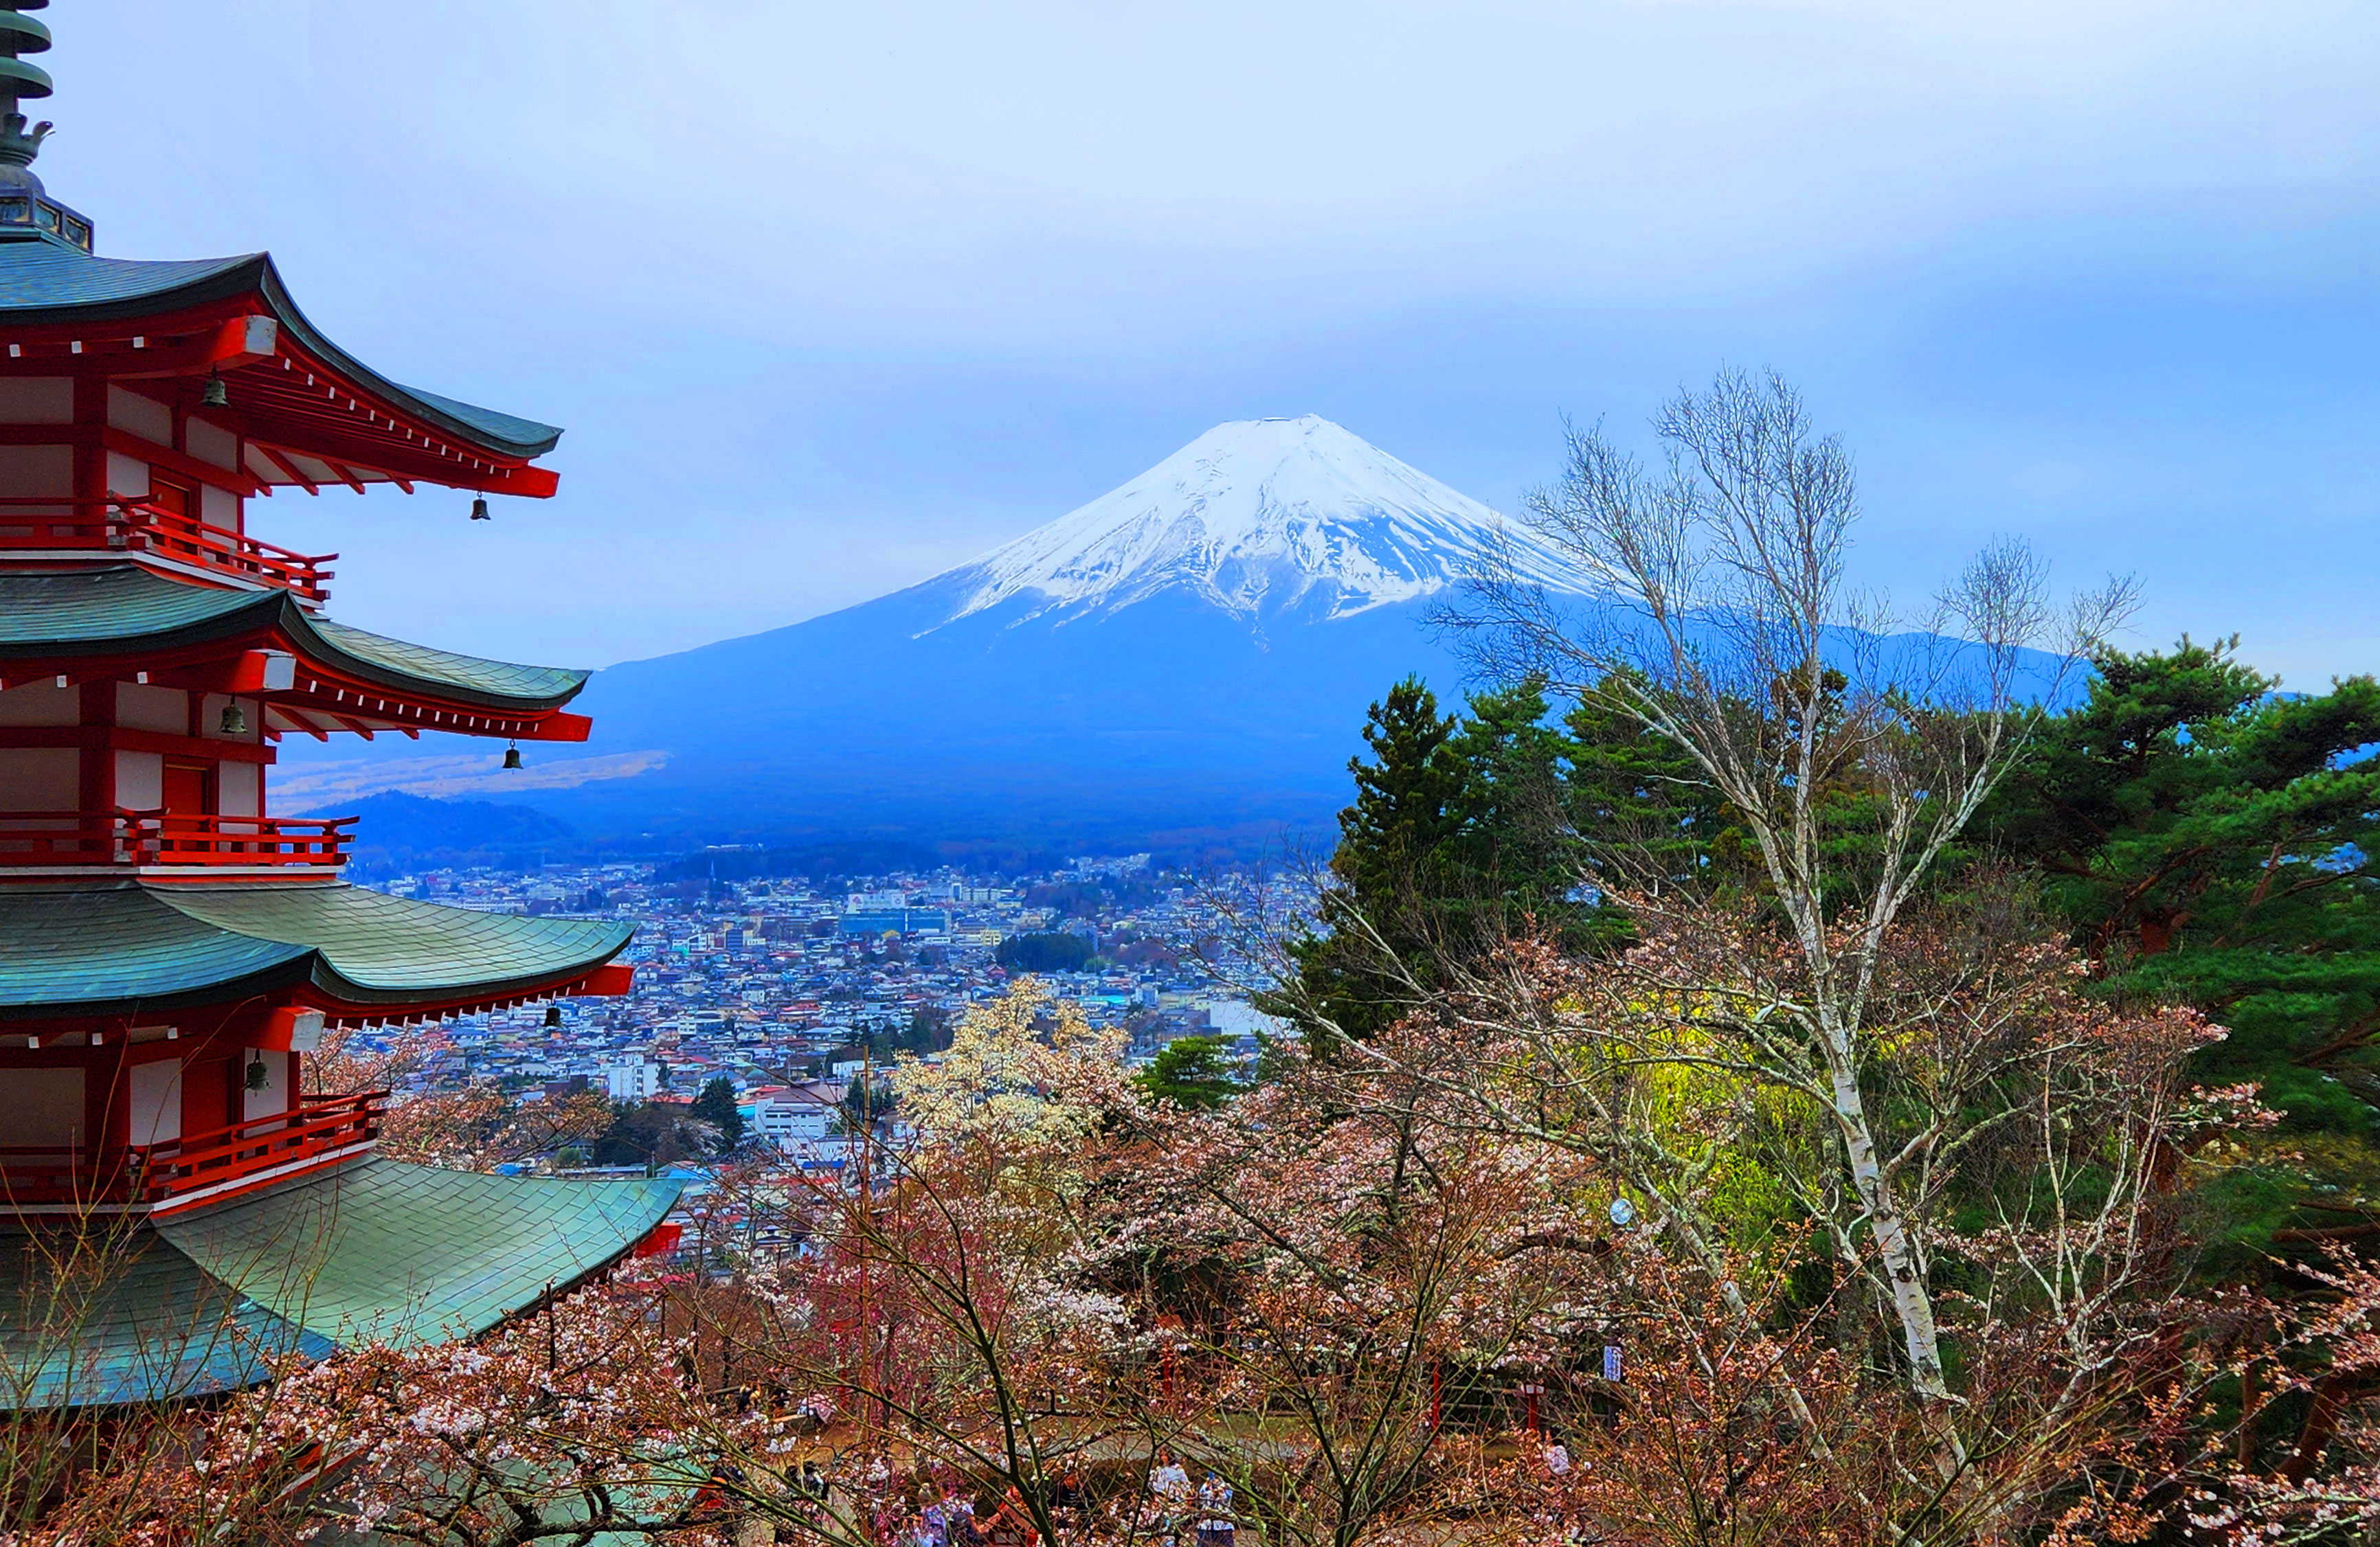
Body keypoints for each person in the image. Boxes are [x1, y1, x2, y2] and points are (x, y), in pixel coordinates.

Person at [1196, 1471, 1234, 1547]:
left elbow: (1226, 1499)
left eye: (1216, 1478)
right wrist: (1207, 1488)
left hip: (1223, 1525)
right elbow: (1200, 1499)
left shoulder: (1226, 1487)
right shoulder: (1207, 1486)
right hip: (1206, 1525)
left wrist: (1219, 1492)